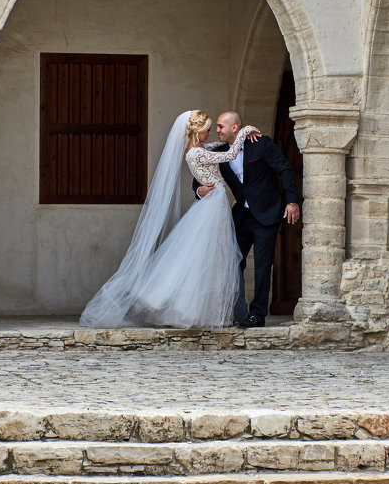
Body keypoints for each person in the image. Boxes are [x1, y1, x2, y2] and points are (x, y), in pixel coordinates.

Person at [80, 110, 257, 329]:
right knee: (212, 254)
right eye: (207, 130)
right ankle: (200, 309)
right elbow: (229, 155)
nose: (210, 133)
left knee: (216, 256)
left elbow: (221, 149)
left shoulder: (200, 149)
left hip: (215, 203)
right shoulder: (196, 154)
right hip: (212, 205)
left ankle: (219, 312)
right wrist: (246, 130)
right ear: (196, 132)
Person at [194, 110, 301, 328]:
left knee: (262, 266)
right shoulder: (221, 151)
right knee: (233, 263)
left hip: (266, 214)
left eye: (221, 127)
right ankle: (236, 311)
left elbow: (285, 169)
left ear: (235, 128)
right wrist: (199, 191)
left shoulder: (261, 144)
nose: (217, 130)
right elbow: (199, 176)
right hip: (241, 216)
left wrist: (292, 201)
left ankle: (258, 314)